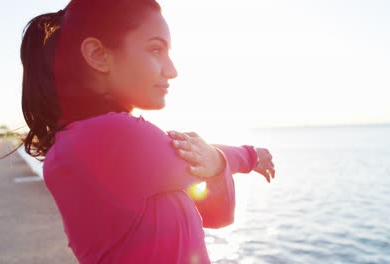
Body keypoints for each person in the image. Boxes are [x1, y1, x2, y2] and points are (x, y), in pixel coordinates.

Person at [17, 0, 275, 263]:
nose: (172, 70)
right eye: (155, 50)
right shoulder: (109, 136)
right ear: (98, 55)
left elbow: (217, 216)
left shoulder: (90, 142)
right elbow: (196, 159)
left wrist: (219, 163)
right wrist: (247, 156)